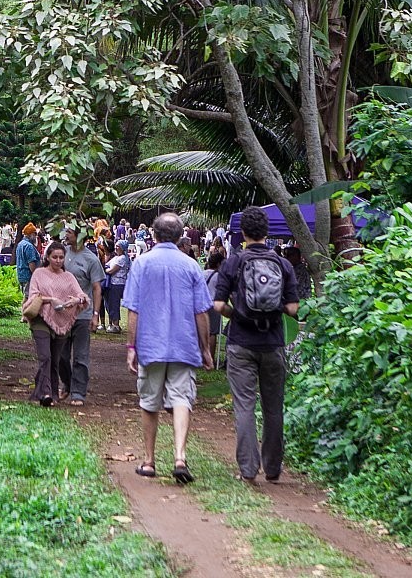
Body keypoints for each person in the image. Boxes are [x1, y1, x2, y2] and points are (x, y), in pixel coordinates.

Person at [211, 205, 300, 484]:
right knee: (274, 407)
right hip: (273, 344)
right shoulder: (283, 264)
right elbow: (293, 308)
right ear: (267, 233)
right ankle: (273, 468)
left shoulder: (233, 263)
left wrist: (236, 314)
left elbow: (218, 305)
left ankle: (248, 470)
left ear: (243, 233)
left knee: (245, 406)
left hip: (241, 343)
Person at [124, 212, 214, 483]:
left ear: (153, 234)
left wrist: (131, 346)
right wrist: (205, 348)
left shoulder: (141, 264)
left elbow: (133, 310)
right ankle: (179, 457)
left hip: (151, 345)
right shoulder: (191, 266)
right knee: (181, 399)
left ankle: (150, 461)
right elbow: (201, 312)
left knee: (149, 402)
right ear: (180, 236)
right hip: (184, 344)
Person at [21, 242, 88, 407]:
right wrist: (51, 299)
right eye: (54, 257)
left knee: (55, 360)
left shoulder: (68, 277)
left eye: (61, 257)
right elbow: (33, 295)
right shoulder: (39, 273)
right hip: (41, 319)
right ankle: (45, 394)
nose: (58, 260)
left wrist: (76, 300)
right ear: (47, 257)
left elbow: (82, 296)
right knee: (45, 356)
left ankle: (51, 393)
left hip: (61, 320)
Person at [58, 227, 104, 407]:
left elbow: (96, 288)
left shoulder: (90, 259)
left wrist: (95, 315)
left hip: (82, 315)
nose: (65, 235)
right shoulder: (61, 255)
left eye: (69, 232)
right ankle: (67, 383)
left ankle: (78, 392)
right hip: (62, 314)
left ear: (80, 236)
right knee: (61, 355)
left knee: (80, 356)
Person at [203, 244, 228, 366]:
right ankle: (211, 359)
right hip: (213, 304)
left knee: (201, 331)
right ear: (219, 264)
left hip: (201, 304)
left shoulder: (202, 273)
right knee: (212, 333)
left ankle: (201, 357)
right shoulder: (219, 276)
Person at [104, 241, 130, 333]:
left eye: (118, 246)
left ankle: (116, 325)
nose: (116, 248)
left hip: (118, 284)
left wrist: (105, 269)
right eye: (115, 246)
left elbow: (111, 270)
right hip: (112, 283)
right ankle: (111, 323)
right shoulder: (116, 257)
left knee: (114, 304)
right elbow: (106, 263)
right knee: (109, 303)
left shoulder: (122, 258)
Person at [15, 222, 40, 297]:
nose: (36, 237)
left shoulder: (20, 244)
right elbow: (31, 264)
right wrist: (37, 276)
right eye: (35, 235)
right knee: (29, 298)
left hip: (21, 275)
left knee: (25, 296)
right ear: (31, 234)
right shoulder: (29, 246)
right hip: (29, 277)